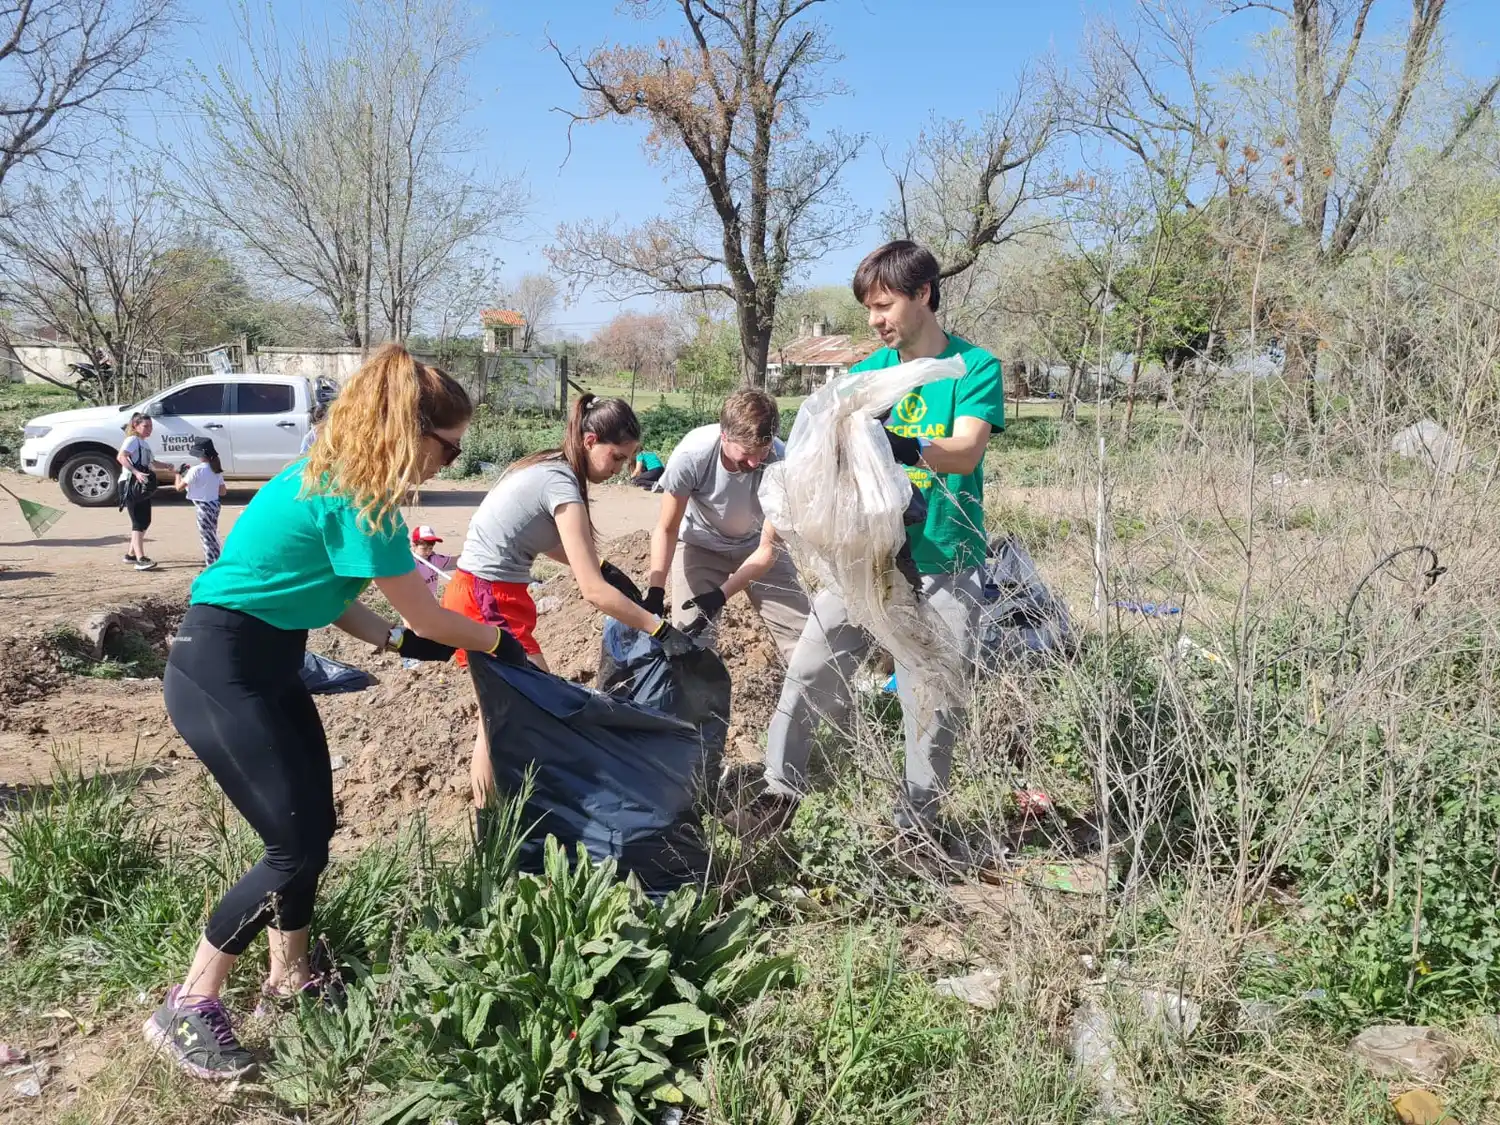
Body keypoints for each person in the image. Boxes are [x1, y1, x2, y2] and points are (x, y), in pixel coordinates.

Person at [144, 344, 528, 1081]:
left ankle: (289, 978)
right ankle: (188, 1003)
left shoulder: (331, 476)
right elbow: (424, 605)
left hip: (264, 660)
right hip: (221, 669)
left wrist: (390, 640)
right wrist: (495, 640)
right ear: (410, 431)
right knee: (292, 846)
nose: (448, 462)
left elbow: (337, 589)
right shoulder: (362, 492)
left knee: (312, 827)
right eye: (449, 448)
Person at [759, 240, 1005, 837]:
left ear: (923, 294)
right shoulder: (867, 376)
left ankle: (916, 825)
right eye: (869, 308)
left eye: (885, 304)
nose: (875, 320)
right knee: (812, 665)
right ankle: (778, 796)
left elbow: (968, 447)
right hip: (865, 557)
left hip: (944, 554)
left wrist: (907, 446)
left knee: (931, 694)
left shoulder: (974, 367)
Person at [446, 393, 696, 823]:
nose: (619, 470)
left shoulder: (547, 467)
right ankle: (497, 823)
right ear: (590, 439)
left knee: (510, 713)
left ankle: (502, 819)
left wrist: (604, 565)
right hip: (488, 599)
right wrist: (658, 630)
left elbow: (541, 538)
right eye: (616, 457)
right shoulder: (560, 482)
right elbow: (593, 593)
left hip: (490, 594)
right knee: (517, 713)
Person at [643, 389, 809, 660]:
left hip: (757, 546)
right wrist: (656, 589)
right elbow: (667, 528)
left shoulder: (781, 461)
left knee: (803, 640)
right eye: (746, 453)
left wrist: (722, 595)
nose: (756, 461)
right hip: (700, 546)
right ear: (725, 436)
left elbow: (768, 549)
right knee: (690, 644)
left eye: (763, 450)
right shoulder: (692, 456)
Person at [118, 412, 171, 572]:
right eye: (145, 426)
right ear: (135, 426)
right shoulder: (132, 440)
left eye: (151, 426)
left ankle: (130, 555)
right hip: (131, 484)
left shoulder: (143, 443)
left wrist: (167, 466)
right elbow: (121, 457)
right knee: (138, 521)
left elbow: (152, 463)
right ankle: (140, 559)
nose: (149, 429)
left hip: (141, 485)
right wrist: (136, 472)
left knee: (145, 520)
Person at [174, 438, 228, 567]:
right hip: (214, 505)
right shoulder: (216, 470)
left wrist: (177, 474)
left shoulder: (196, 470)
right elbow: (223, 492)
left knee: (206, 538)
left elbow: (178, 487)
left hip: (203, 506)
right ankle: (216, 561)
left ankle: (211, 565)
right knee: (212, 534)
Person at [410, 524, 455, 598]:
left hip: (431, 600)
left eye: (430, 548)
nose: (428, 552)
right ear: (414, 545)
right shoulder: (410, 564)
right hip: (414, 601)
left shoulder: (435, 559)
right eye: (424, 549)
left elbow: (456, 560)